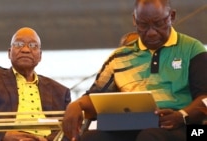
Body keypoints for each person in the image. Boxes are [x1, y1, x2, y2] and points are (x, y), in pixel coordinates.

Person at [62, 0, 207, 141]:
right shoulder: (119, 57)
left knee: (150, 136)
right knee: (92, 138)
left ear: (172, 16)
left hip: (189, 128)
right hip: (133, 127)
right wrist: (76, 105)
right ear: (134, 20)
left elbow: (205, 98)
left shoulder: (193, 49)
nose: (151, 33)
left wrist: (181, 116)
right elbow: (95, 96)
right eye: (143, 25)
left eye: (158, 24)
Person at [0, 27, 71, 141]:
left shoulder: (60, 91)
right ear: (9, 52)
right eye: (19, 44)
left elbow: (69, 131)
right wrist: (3, 136)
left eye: (33, 45)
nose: (25, 50)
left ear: (40, 55)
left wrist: (47, 140)